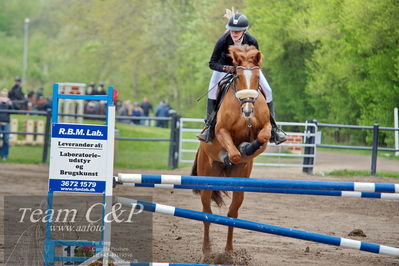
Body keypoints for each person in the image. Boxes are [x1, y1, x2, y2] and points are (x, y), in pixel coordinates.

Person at [197, 12, 287, 145]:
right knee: (212, 91)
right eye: (232, 30)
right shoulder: (223, 40)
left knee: (268, 90)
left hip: (247, 70)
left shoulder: (252, 41)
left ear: (244, 30)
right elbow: (212, 63)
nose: (234, 33)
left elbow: (256, 60)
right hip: (225, 68)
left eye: (238, 31)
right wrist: (226, 69)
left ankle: (274, 128)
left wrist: (247, 70)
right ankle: (209, 127)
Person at [0, 89, 13, 160]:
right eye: (2, 95)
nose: (3, 97)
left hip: (6, 123)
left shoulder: (9, 103)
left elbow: (13, 111)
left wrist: (10, 104)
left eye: (5, 96)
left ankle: (4, 155)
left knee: (6, 140)